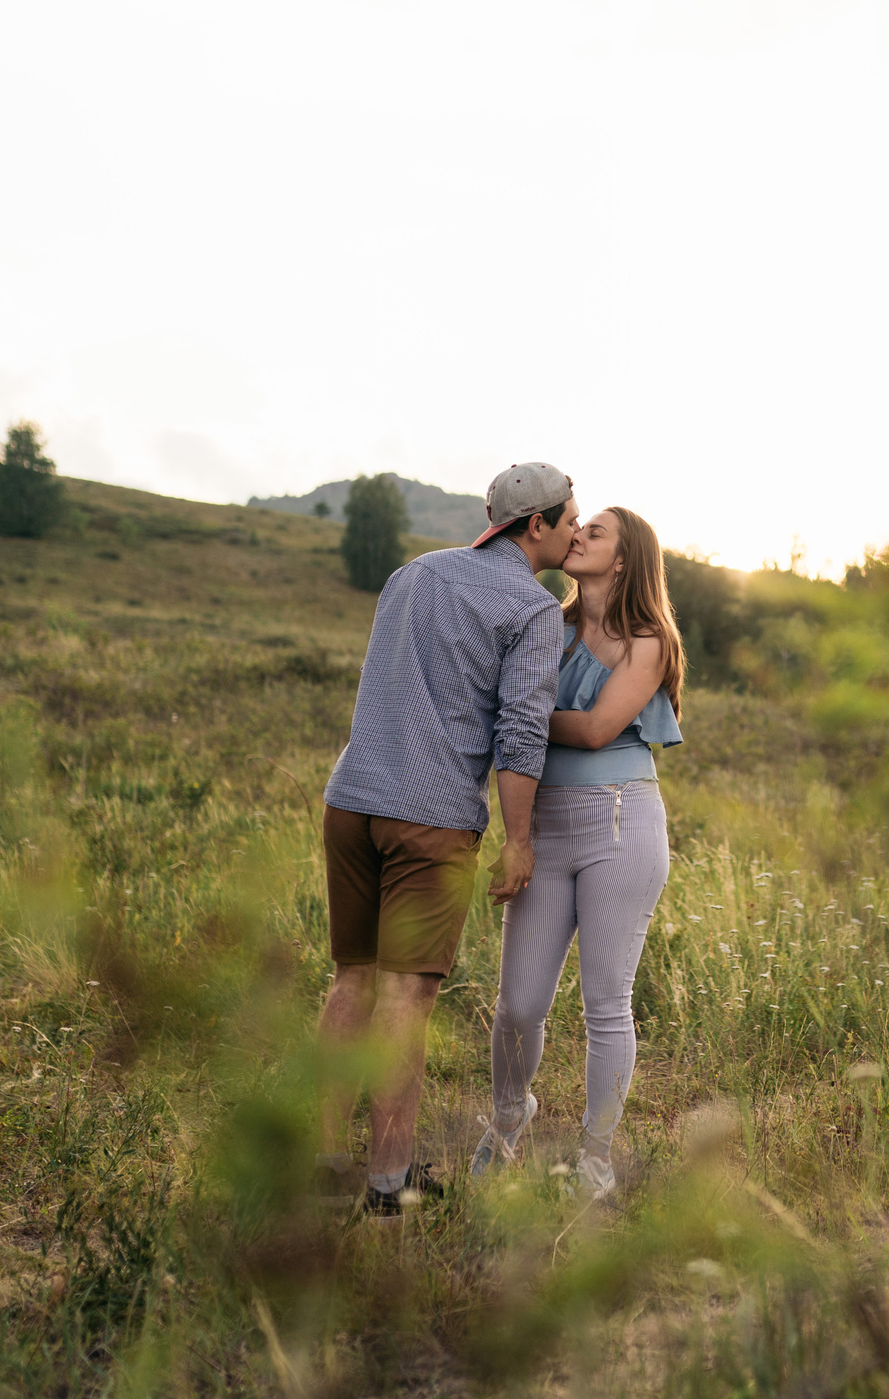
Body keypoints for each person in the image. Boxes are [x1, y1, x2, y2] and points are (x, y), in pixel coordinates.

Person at [314, 462, 577, 1218]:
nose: (574, 533)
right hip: (428, 819)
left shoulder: (413, 573)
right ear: (536, 524)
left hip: (351, 801)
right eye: (569, 521)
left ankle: (324, 1166)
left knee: (353, 982)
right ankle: (388, 1183)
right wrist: (518, 840)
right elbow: (521, 730)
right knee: (406, 996)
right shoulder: (532, 609)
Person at [472, 505, 685, 1199]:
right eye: (578, 525)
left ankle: (595, 1156)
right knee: (517, 1005)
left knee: (606, 1004)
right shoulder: (547, 626)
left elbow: (596, 730)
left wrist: (519, 715)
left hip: (620, 824)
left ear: (623, 560)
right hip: (544, 823)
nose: (578, 534)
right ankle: (509, 1117)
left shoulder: (648, 640)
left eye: (596, 532)